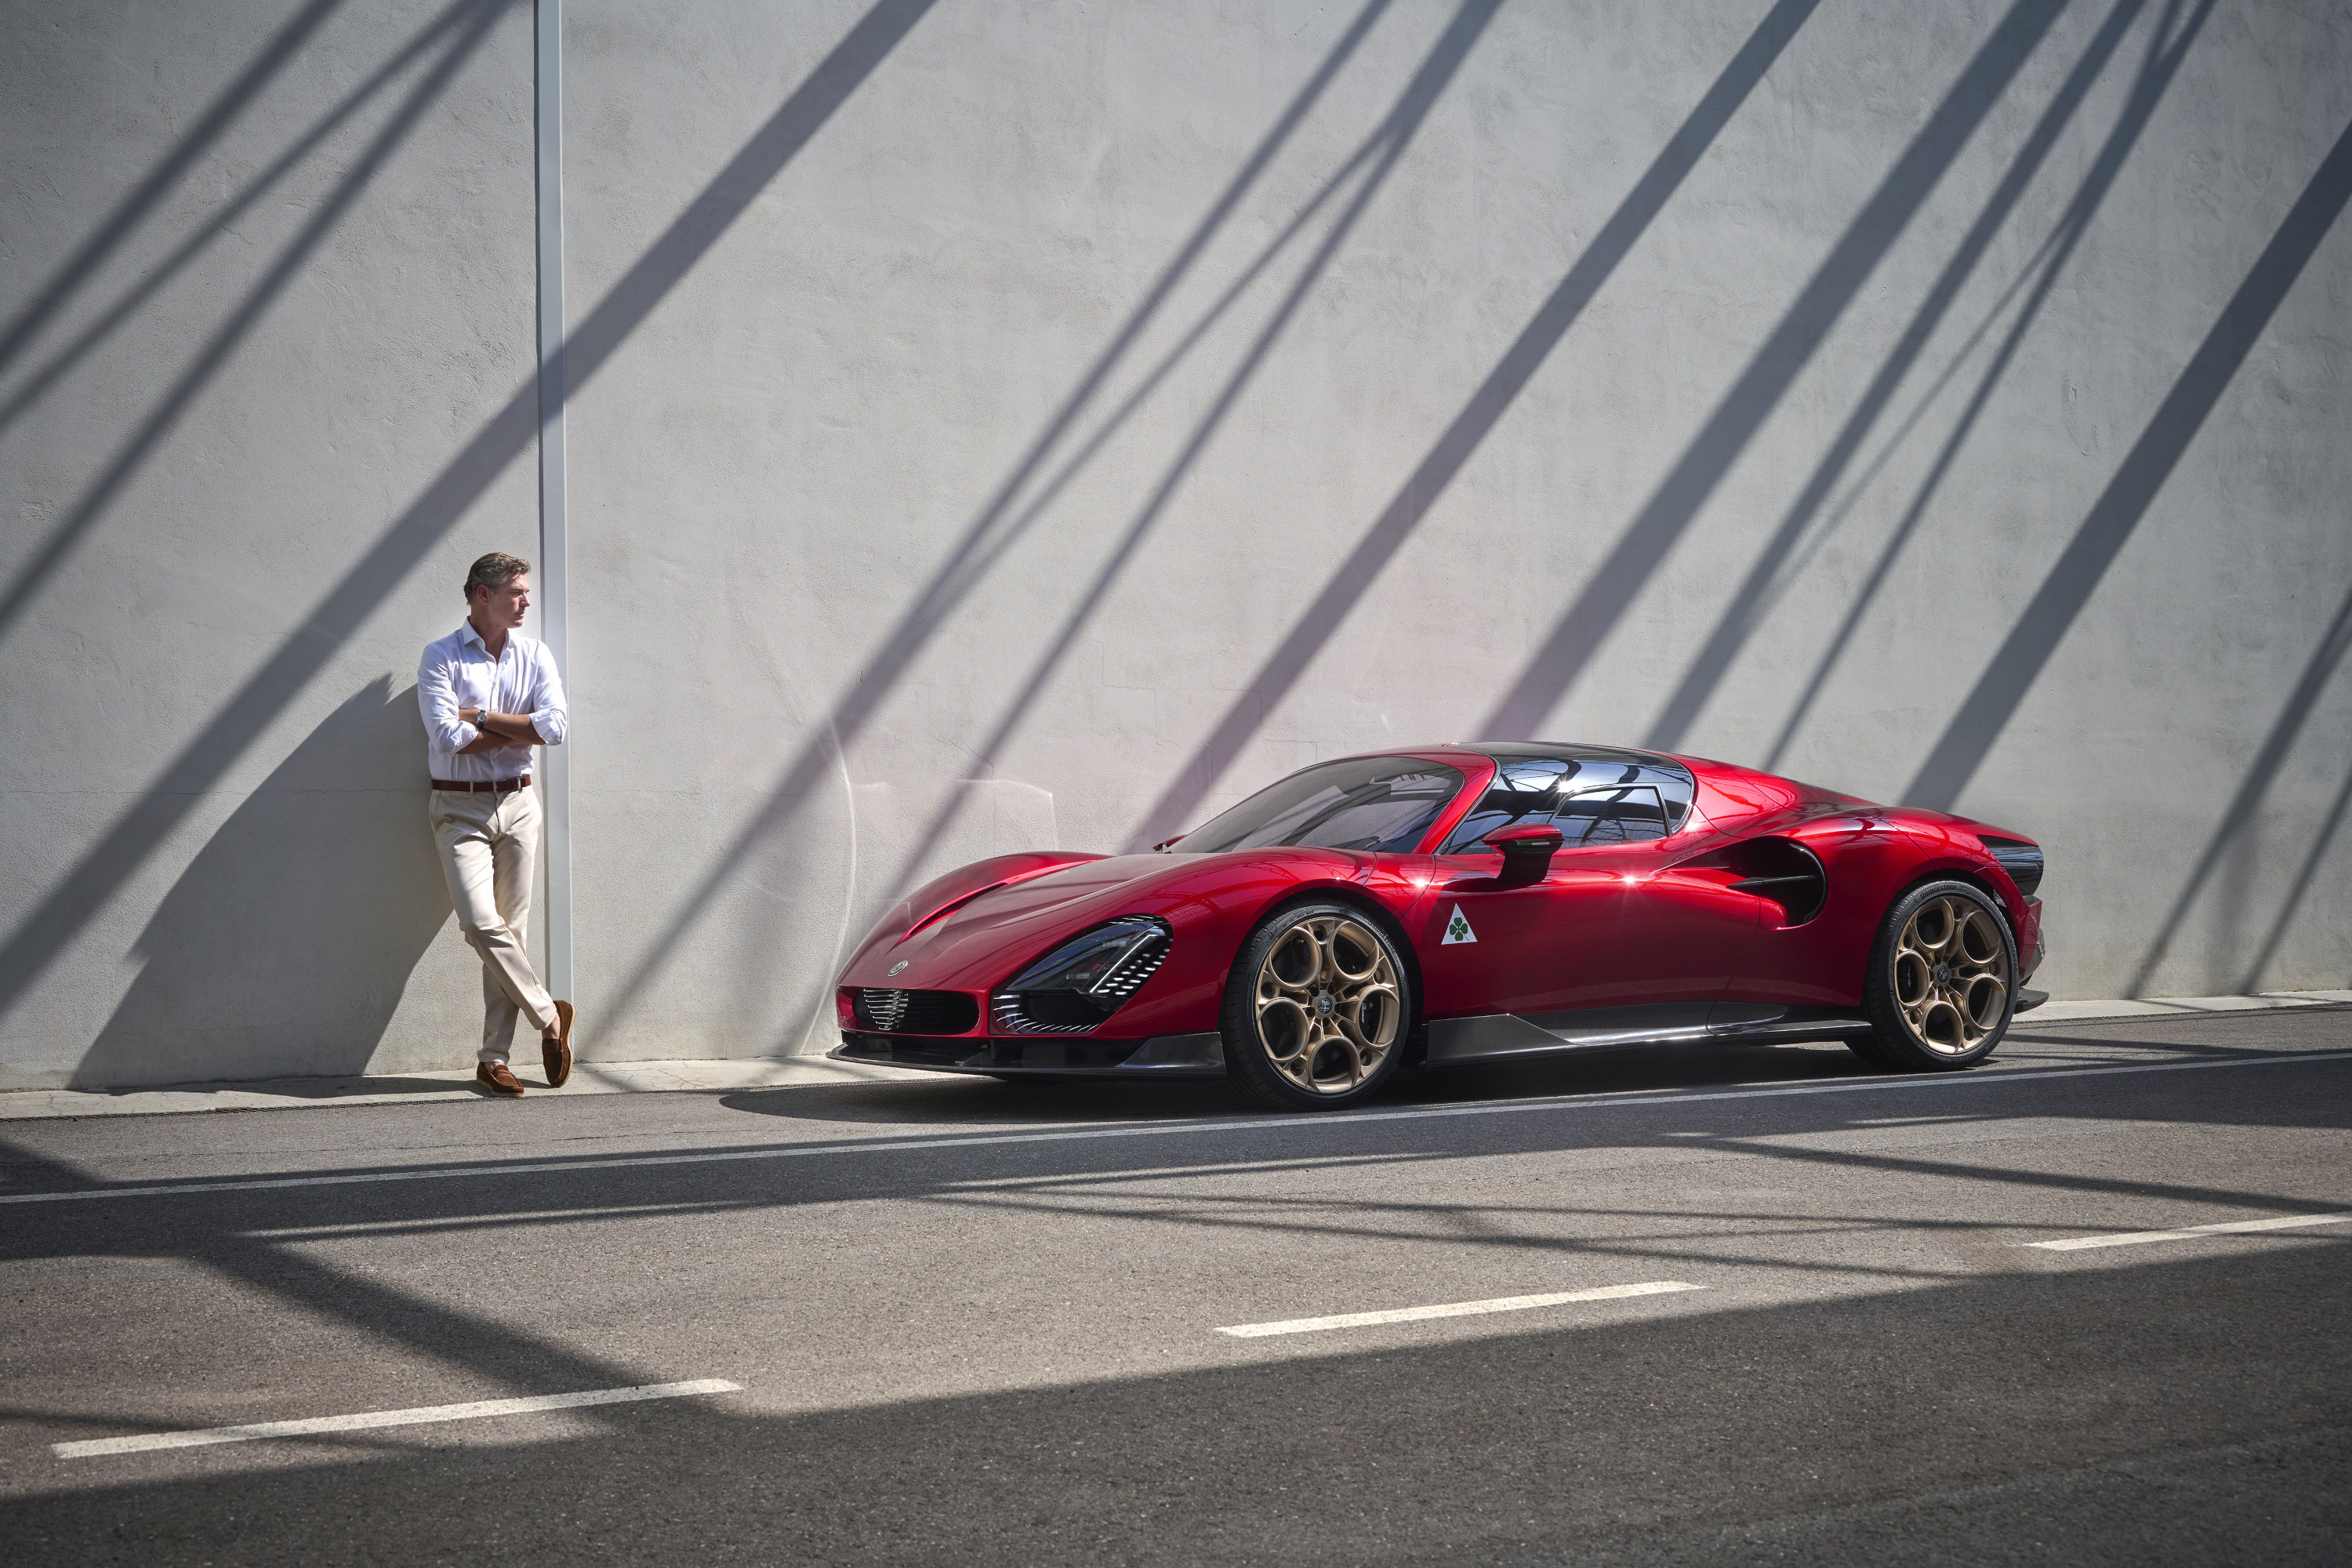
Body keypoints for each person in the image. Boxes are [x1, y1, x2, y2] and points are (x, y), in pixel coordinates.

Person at [417, 552, 575, 1096]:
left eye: (526, 591)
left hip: (520, 804)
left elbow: (554, 728)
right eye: (516, 591)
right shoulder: (440, 657)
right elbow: (445, 738)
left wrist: (479, 717)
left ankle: (493, 1059)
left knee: (514, 928)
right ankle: (549, 1018)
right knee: (481, 924)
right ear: (483, 595)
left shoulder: (535, 655)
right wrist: (519, 729)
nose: (527, 600)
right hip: (458, 807)